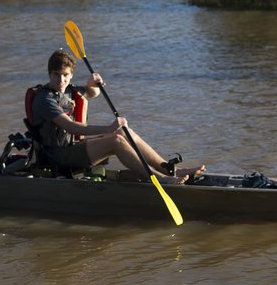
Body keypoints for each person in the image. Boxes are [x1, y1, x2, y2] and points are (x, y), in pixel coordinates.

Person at [30, 49, 201, 184]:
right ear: (49, 74)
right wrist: (107, 128)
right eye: (56, 75)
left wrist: (92, 83)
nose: (61, 80)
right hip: (57, 156)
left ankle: (170, 170)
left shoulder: (69, 90)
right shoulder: (45, 99)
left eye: (65, 75)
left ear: (71, 74)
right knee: (115, 141)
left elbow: (91, 92)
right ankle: (158, 178)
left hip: (73, 147)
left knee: (125, 132)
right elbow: (71, 127)